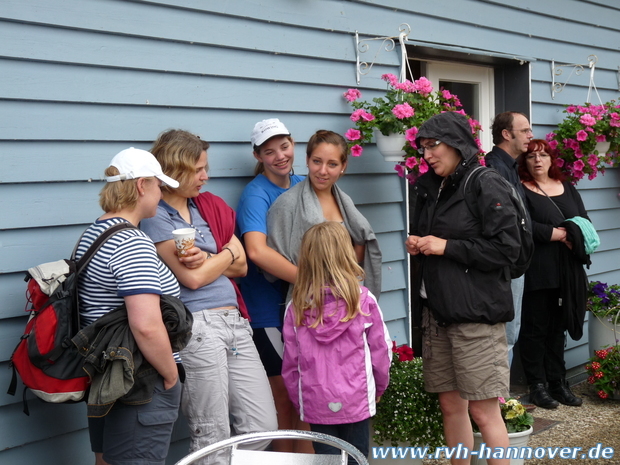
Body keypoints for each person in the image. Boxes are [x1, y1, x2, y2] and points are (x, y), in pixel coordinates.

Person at [140, 129, 277, 465]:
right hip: (197, 329)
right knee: (210, 434)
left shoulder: (207, 207)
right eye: (198, 169)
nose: (206, 176)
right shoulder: (156, 216)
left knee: (262, 427)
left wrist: (220, 258)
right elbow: (193, 277)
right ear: (175, 170)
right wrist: (226, 255)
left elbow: (244, 265)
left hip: (236, 323)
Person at [405, 112, 522, 465]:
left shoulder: (485, 183)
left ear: (457, 144)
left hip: (475, 317)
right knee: (451, 405)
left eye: (433, 146)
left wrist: (445, 246)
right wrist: (421, 244)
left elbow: (508, 249)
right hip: (438, 314)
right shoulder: (433, 187)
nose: (427, 155)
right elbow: (441, 240)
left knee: (485, 411)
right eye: (422, 148)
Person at [76, 147, 185, 465]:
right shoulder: (131, 243)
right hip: (141, 382)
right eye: (159, 186)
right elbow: (146, 324)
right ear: (141, 185)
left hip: (106, 379)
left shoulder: (95, 233)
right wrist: (170, 377)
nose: (161, 194)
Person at [281, 221, 392, 463]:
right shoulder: (364, 301)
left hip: (316, 400)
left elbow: (290, 363)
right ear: (346, 254)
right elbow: (381, 353)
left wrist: (299, 400)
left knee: (326, 460)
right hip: (357, 398)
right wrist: (380, 387)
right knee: (357, 458)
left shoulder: (296, 307)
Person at [236, 118, 311, 452]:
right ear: (258, 155)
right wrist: (315, 280)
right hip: (269, 312)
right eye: (269, 151)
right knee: (285, 400)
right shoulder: (255, 194)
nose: (280, 156)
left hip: (304, 307)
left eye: (284, 146)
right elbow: (256, 251)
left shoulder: (304, 184)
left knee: (307, 399)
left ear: (294, 144)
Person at [267, 129, 382, 301]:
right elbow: (272, 257)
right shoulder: (287, 204)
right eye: (317, 161)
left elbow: (357, 252)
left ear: (343, 166)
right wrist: (314, 283)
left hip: (349, 298)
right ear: (307, 160)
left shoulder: (345, 203)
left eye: (332, 164)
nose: (322, 171)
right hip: (309, 303)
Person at [517, 139, 589, 409]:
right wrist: (559, 233)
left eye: (544, 155)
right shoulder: (522, 190)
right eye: (532, 156)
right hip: (538, 270)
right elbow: (524, 226)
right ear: (524, 162)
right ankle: (537, 385)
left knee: (558, 329)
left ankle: (558, 382)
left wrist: (571, 234)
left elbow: (583, 221)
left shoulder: (567, 188)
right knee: (535, 328)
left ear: (552, 160)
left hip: (567, 271)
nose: (538, 160)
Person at [485, 111, 534, 365]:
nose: (530, 135)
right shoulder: (494, 168)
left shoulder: (511, 167)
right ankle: (499, 401)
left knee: (510, 332)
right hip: (504, 265)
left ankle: (501, 399)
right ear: (506, 134)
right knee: (505, 334)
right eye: (525, 130)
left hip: (515, 263)